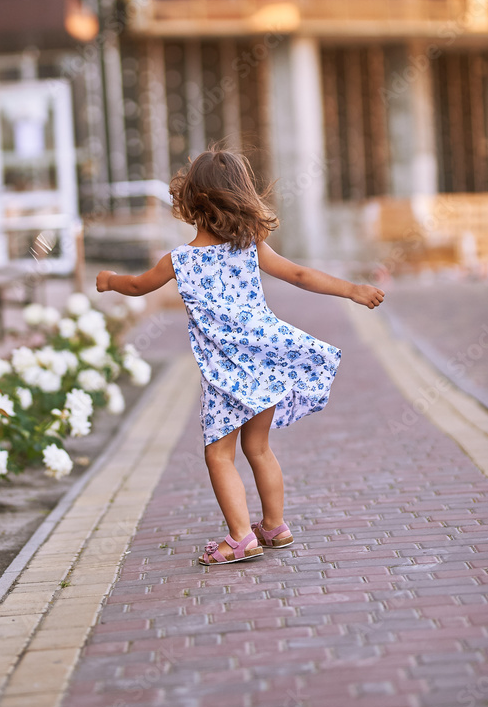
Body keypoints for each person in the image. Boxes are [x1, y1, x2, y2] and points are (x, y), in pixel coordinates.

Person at [96, 148, 384, 567]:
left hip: (223, 376)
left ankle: (240, 538)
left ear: (191, 201)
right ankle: (274, 525)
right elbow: (299, 274)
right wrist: (352, 290)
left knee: (218, 455)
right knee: (260, 449)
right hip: (265, 363)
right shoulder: (250, 246)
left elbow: (139, 286)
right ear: (240, 197)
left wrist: (109, 280)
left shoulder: (181, 260)